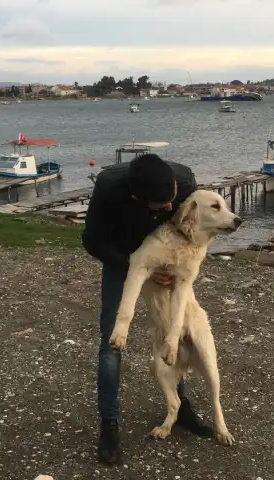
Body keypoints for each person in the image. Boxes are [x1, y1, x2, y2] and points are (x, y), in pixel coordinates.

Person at [82, 154, 214, 465]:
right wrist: (135, 265)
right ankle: (109, 424)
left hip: (166, 256)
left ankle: (180, 407)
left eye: (172, 200)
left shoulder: (183, 182)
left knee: (174, 330)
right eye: (161, 205)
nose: (170, 207)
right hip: (123, 256)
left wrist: (181, 268)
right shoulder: (109, 187)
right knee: (112, 340)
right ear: (136, 198)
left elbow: (193, 232)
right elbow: (92, 241)